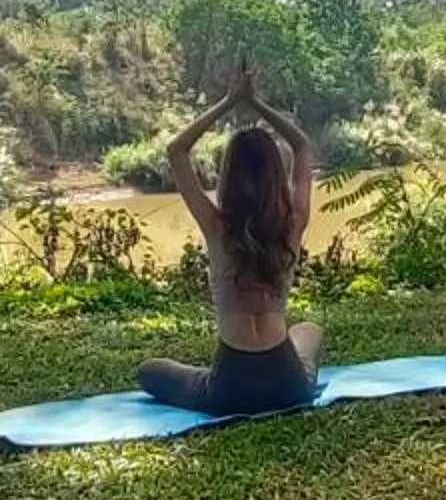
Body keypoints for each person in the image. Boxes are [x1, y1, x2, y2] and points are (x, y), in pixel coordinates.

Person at [135, 65, 324, 414]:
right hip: (290, 388)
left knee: (149, 370)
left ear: (229, 174)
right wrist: (256, 103)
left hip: (228, 391)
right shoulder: (293, 223)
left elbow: (177, 150)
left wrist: (230, 101)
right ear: (276, 174)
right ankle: (294, 370)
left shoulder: (216, 227)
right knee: (309, 330)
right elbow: (301, 145)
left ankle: (208, 377)